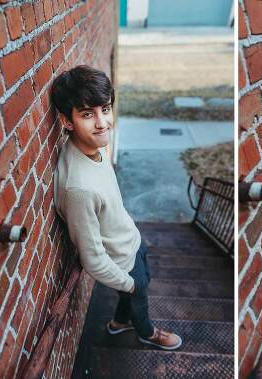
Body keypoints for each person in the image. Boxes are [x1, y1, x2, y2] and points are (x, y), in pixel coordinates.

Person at [52, 65, 182, 350]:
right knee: (140, 294)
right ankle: (147, 333)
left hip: (131, 239)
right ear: (67, 121)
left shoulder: (90, 146)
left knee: (142, 280)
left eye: (105, 109)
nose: (102, 123)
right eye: (88, 114)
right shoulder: (79, 189)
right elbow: (93, 259)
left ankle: (118, 324)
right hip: (122, 261)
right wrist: (129, 284)